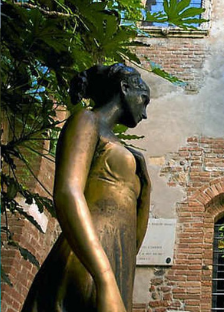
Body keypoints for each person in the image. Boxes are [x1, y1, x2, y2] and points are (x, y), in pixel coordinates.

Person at [22, 64, 152, 312]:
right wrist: (103, 276)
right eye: (144, 100)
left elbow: (133, 239)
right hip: (87, 258)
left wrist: (145, 189)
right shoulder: (87, 120)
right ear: (124, 88)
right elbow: (67, 193)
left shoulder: (127, 152)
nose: (144, 113)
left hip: (117, 259)